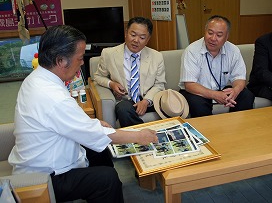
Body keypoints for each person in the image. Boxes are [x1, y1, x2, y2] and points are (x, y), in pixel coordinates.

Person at [8, 25, 158, 203]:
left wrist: (94, 124)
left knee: (100, 150)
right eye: (79, 58)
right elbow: (90, 131)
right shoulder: (51, 96)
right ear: (61, 61)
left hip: (45, 156)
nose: (81, 63)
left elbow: (67, 120)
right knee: (106, 179)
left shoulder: (37, 78)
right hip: (45, 176)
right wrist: (139, 136)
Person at [94, 17, 166, 127]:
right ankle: (141, 137)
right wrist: (112, 84)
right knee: (123, 109)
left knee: (170, 105)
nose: (136, 40)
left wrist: (146, 101)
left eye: (142, 37)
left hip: (149, 99)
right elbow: (98, 77)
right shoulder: (109, 53)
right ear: (126, 33)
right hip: (126, 101)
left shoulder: (156, 56)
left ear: (148, 39)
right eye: (133, 35)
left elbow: (159, 84)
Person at [179, 15, 255, 118]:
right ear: (205, 32)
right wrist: (214, 95)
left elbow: (239, 78)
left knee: (246, 96)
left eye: (219, 35)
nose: (213, 38)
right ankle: (209, 132)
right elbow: (190, 85)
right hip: (197, 91)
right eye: (210, 33)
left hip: (222, 89)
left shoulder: (233, 50)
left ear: (226, 37)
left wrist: (235, 91)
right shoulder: (192, 51)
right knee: (198, 104)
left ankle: (235, 129)